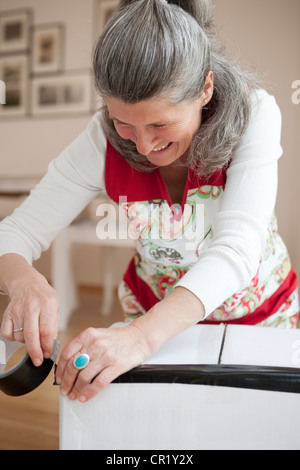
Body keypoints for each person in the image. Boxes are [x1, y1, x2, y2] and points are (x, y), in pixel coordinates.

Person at [0, 0, 298, 403]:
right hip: (154, 316)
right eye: (124, 122)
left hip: (260, 319)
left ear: (205, 89)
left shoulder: (255, 112)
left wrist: (139, 338)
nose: (143, 145)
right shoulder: (100, 138)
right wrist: (24, 281)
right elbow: (14, 232)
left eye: (160, 123)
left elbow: (236, 251)